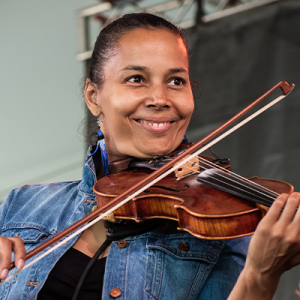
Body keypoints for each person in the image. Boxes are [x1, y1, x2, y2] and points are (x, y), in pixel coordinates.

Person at [0, 12, 299, 300]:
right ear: (94, 97)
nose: (160, 99)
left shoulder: (225, 229)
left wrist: (260, 276)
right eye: (136, 79)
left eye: (176, 81)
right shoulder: (23, 207)